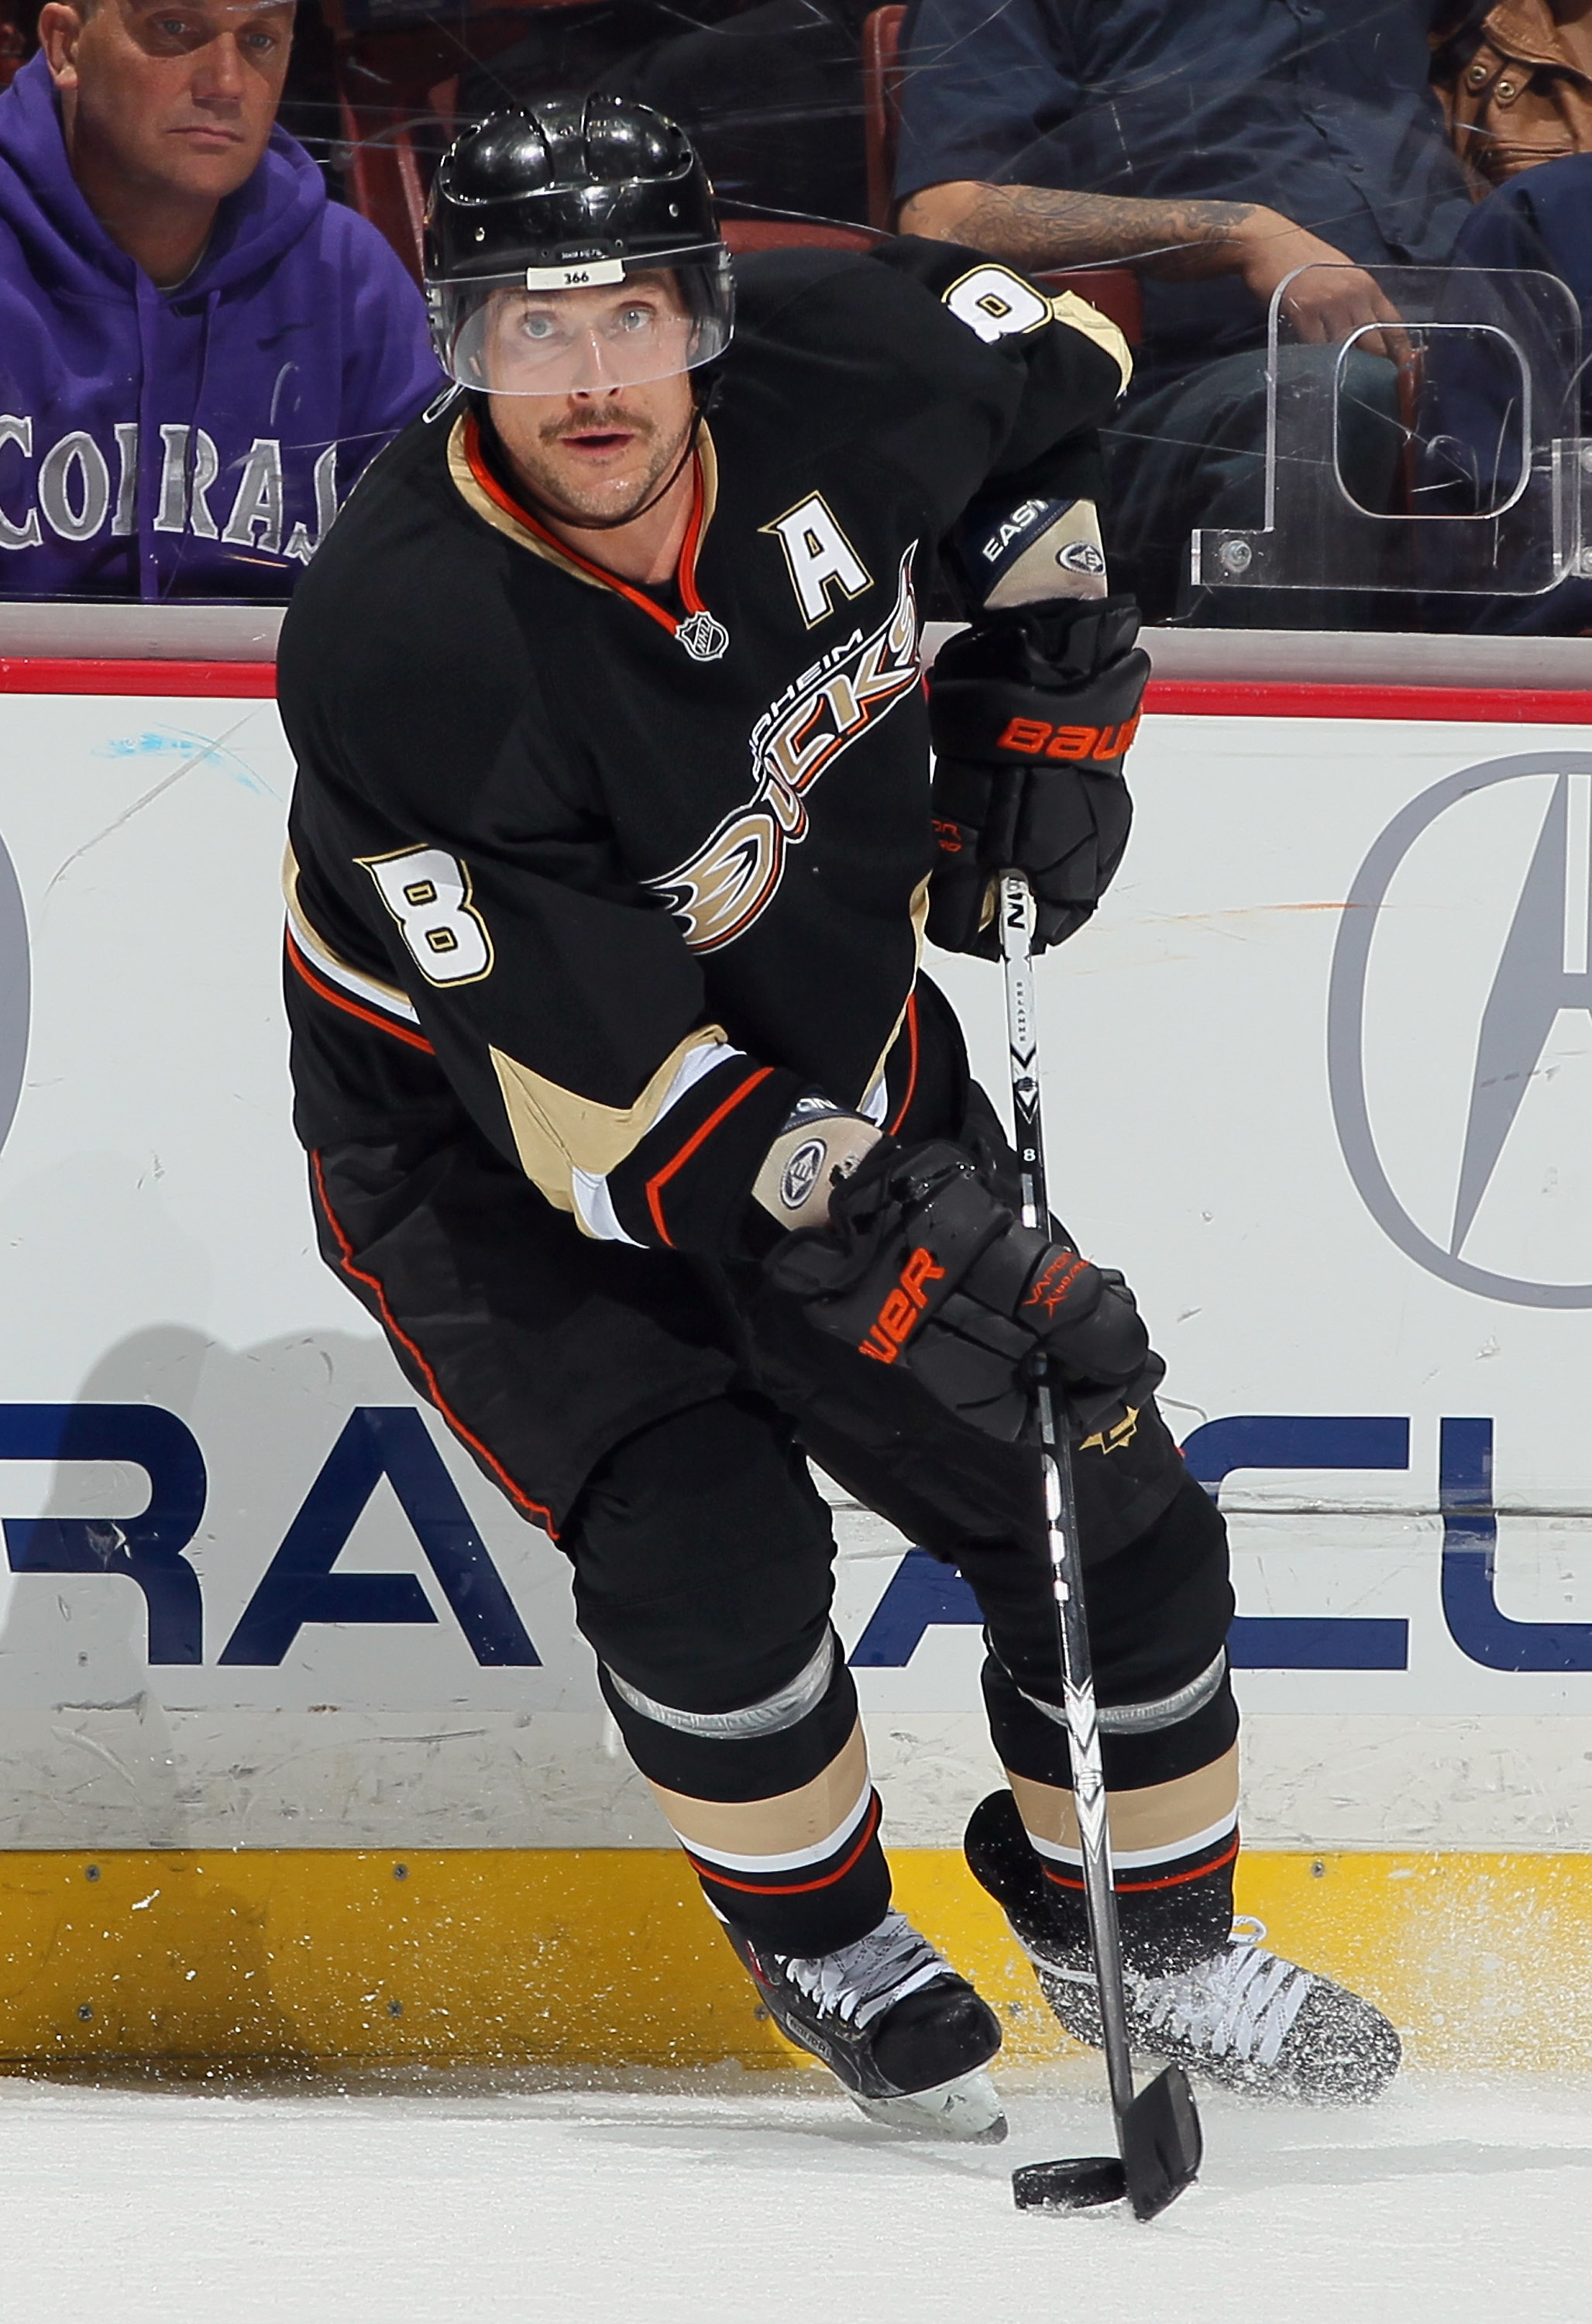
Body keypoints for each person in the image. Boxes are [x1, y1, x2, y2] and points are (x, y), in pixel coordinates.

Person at [277, 95, 1400, 2135]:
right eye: (527, 332)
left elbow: (1070, 385)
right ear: (453, 344)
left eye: (623, 319)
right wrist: (919, 1231)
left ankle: (1140, 1937)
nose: (587, 381)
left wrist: (1046, 690)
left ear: (703, 312)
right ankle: (811, 1925)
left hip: (821, 1030)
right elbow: (599, 1111)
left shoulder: (865, 349)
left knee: (1095, 1476)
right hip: (491, 1146)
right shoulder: (405, 645)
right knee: (705, 1540)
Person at [893, 0, 1478, 621]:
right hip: (1168, 393)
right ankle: (1274, 708)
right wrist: (1235, 234)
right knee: (1327, 398)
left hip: (1467, 354)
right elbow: (946, 216)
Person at [0, 0, 441, 599]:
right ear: (65, 45)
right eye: (176, 28)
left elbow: (425, 597)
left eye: (259, 40)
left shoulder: (347, 277)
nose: (226, 85)